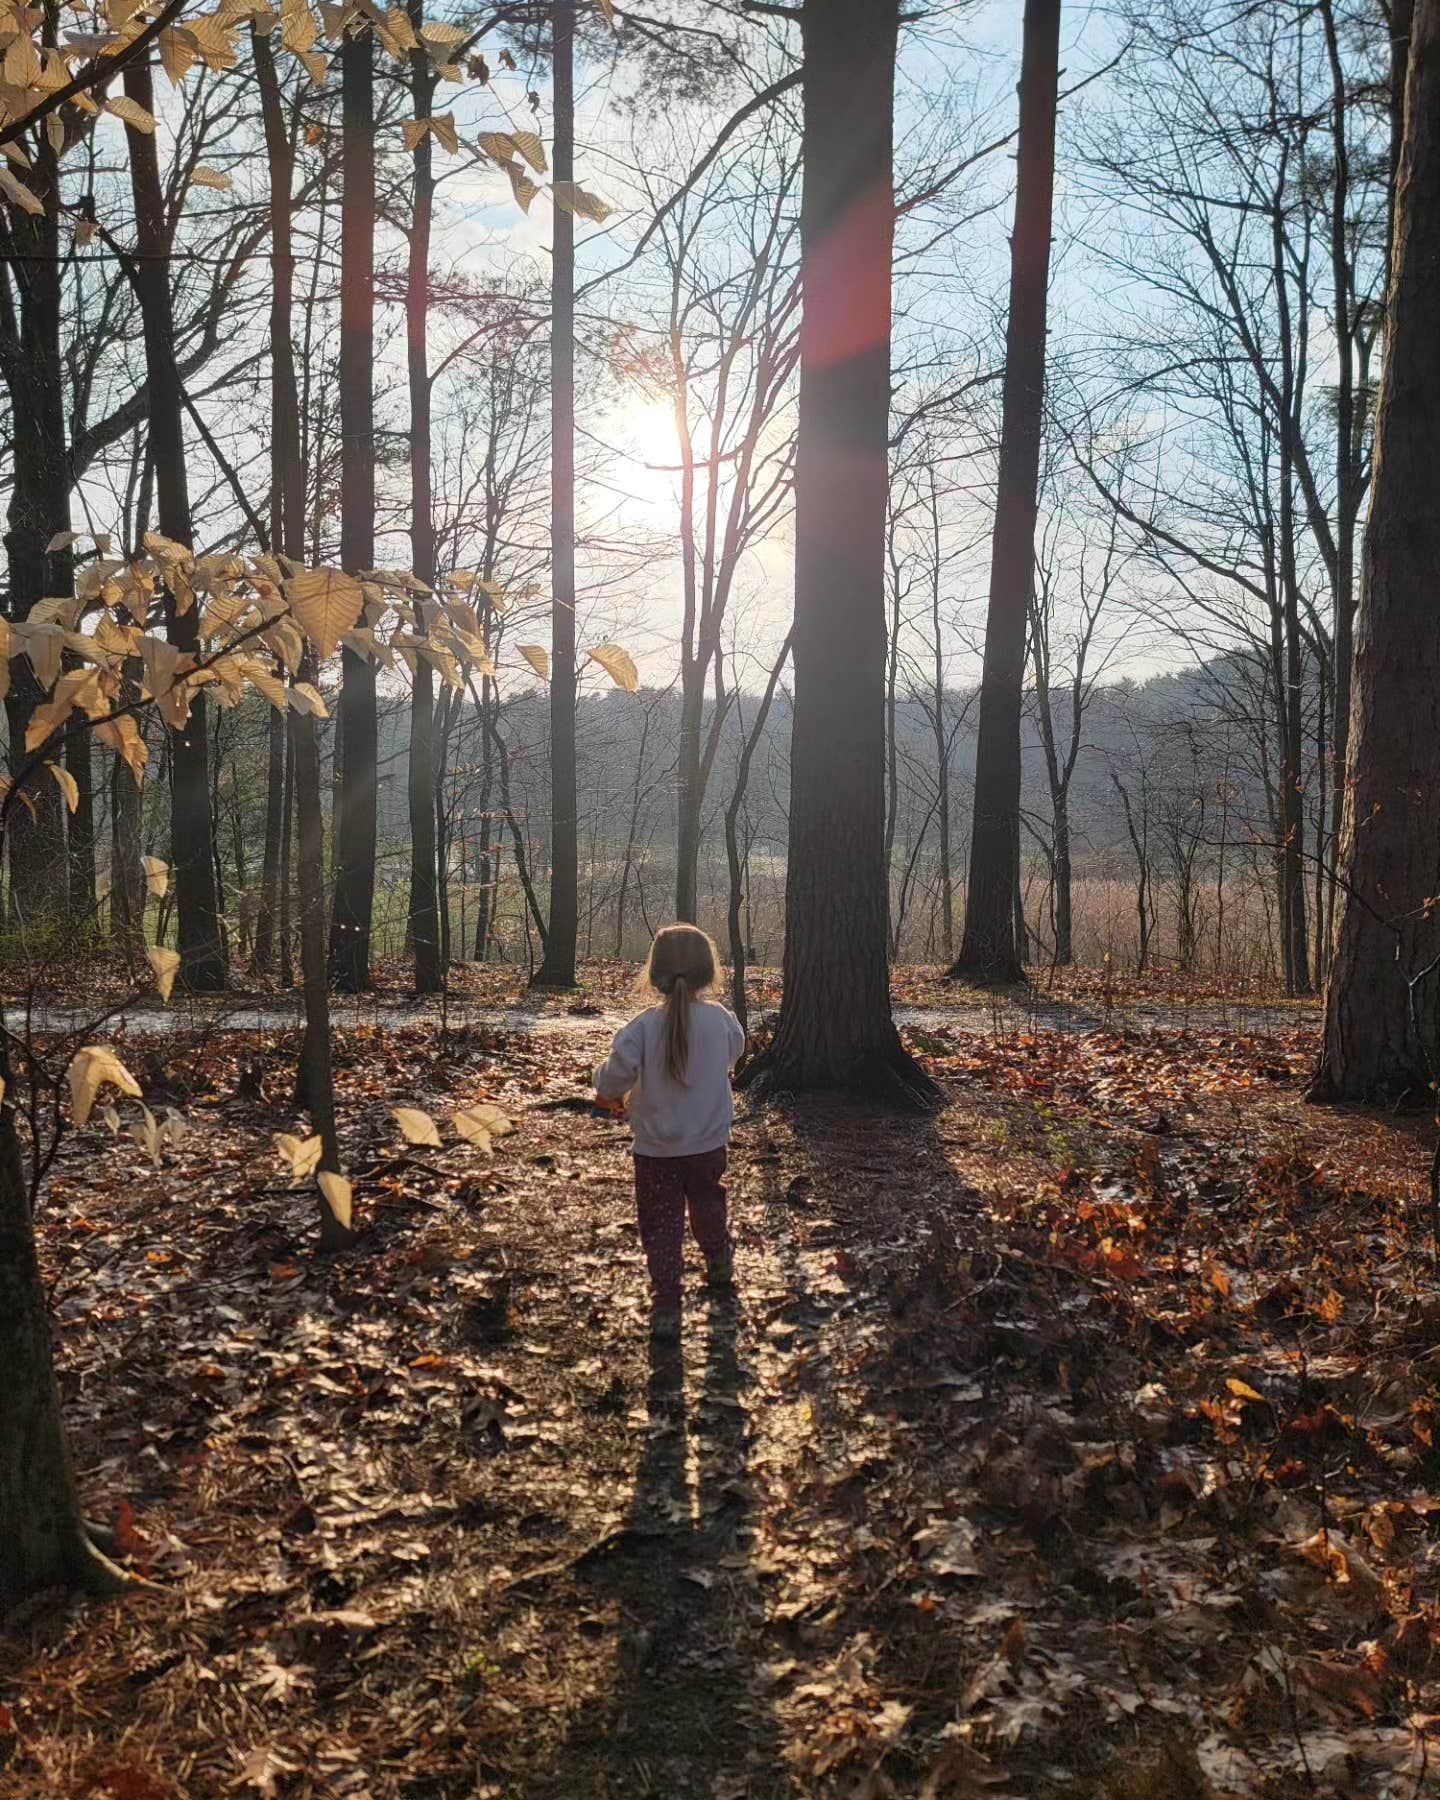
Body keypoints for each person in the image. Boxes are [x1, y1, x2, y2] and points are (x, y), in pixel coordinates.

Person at [594, 924, 746, 1340]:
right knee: (708, 1204)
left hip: (656, 1150)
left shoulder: (642, 1027)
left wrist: (602, 1087)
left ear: (654, 974)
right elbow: (734, 1055)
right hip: (709, 1143)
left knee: (660, 1225)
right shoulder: (722, 1021)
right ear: (708, 972)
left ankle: (666, 1301)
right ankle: (718, 1260)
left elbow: (612, 1080)